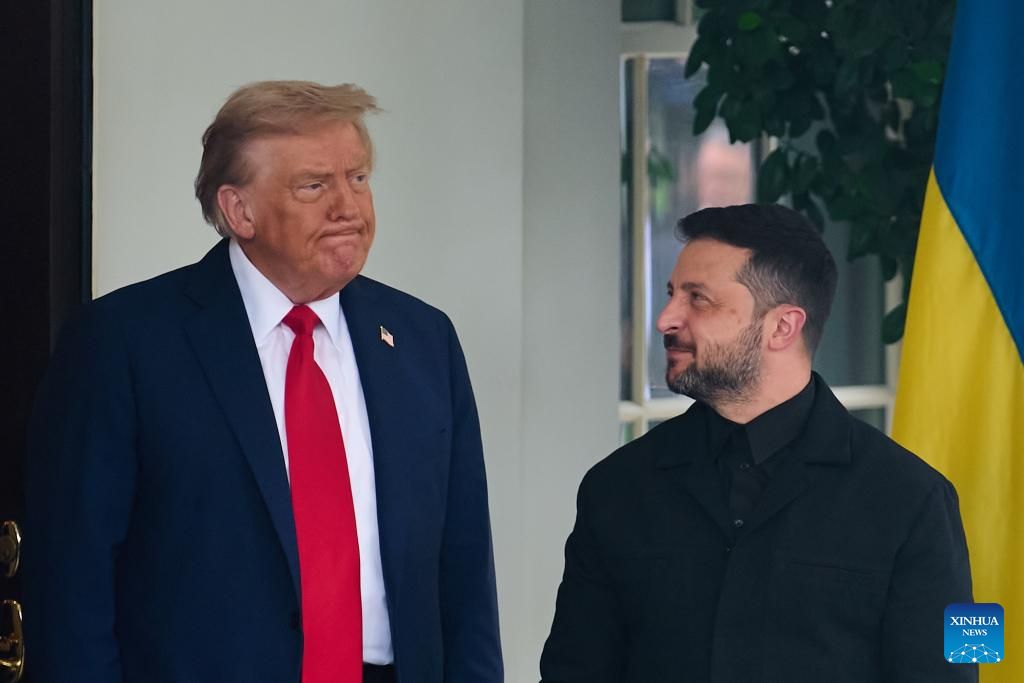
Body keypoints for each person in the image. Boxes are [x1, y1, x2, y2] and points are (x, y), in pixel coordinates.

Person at [23, 81, 502, 683]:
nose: (348, 207)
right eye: (314, 186)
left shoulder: (423, 340)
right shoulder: (126, 343)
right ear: (238, 209)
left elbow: (464, 571)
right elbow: (72, 583)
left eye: (358, 178)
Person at [540, 204, 975, 682]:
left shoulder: (919, 500)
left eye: (698, 299)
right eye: (671, 294)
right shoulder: (615, 488)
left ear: (783, 326)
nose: (665, 318)